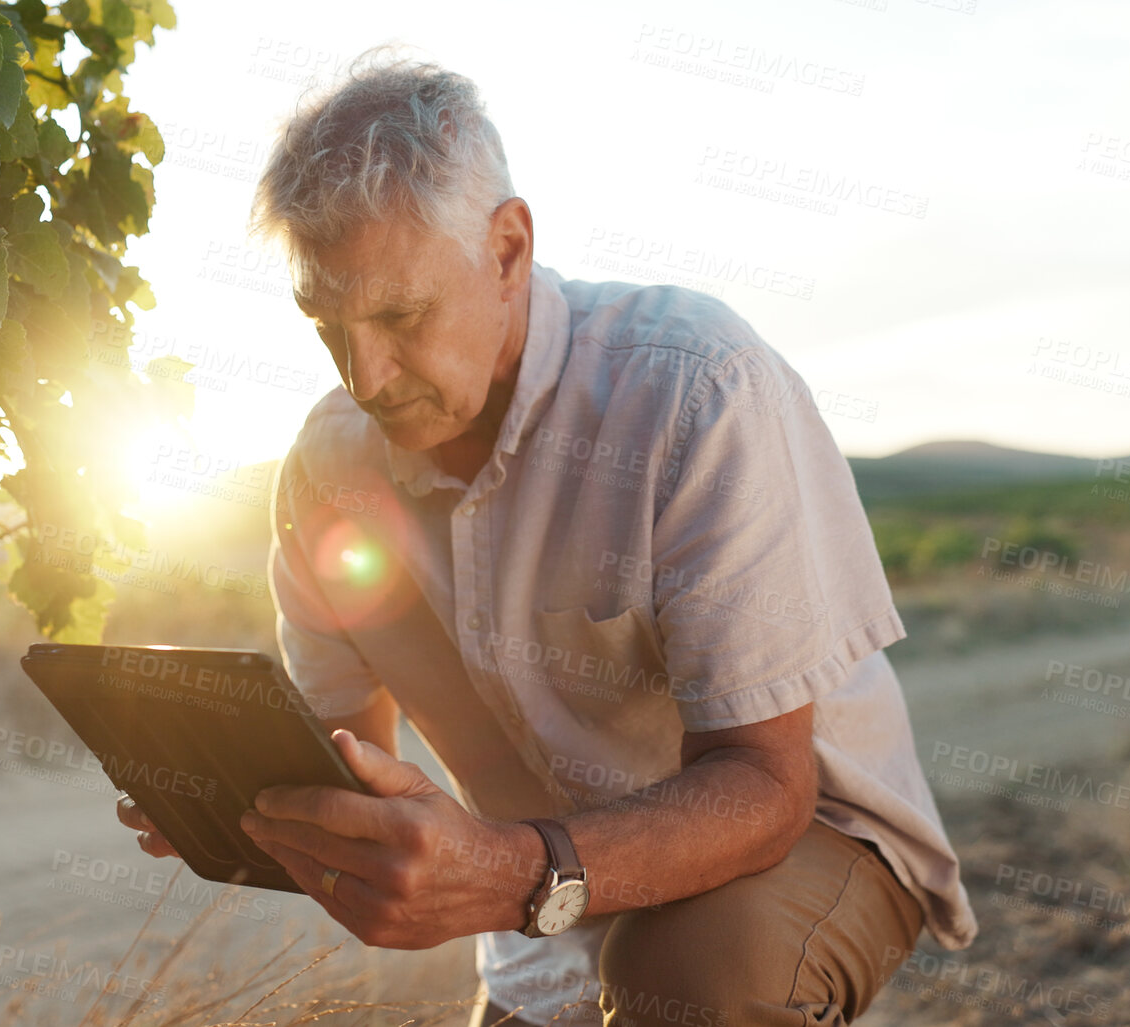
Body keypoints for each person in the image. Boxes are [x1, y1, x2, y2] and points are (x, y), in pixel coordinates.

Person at [117, 52, 976, 1027]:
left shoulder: (696, 391)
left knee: (682, 977)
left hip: (810, 835)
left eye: (400, 314)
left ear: (507, 249)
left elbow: (764, 789)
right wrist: (251, 807)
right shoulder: (326, 470)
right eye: (327, 325)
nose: (365, 375)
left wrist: (504, 871)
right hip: (541, 891)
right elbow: (348, 757)